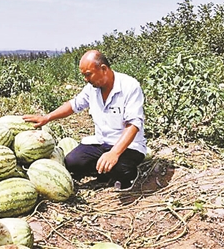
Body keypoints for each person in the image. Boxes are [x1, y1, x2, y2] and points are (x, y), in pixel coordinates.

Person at [23, 50, 146, 191]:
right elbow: (73, 105)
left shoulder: (130, 86)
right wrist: (47, 117)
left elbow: (133, 125)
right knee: (72, 162)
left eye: (88, 74)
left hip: (128, 146)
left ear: (104, 69)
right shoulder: (92, 88)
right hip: (102, 142)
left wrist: (114, 153)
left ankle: (128, 174)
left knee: (121, 169)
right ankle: (105, 171)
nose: (85, 79)